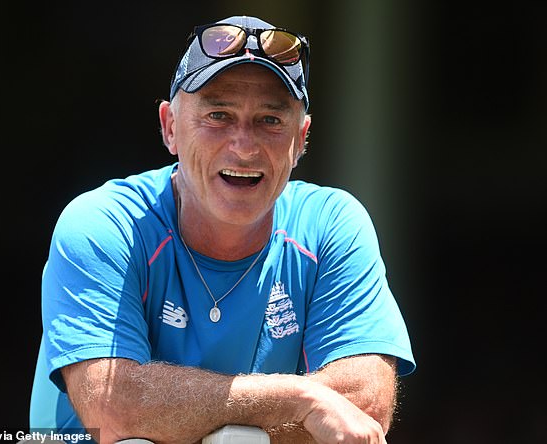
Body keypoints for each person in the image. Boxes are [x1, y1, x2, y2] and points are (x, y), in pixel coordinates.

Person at [29, 14, 416, 444]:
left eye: (270, 120)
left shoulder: (330, 225)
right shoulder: (104, 223)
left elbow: (364, 409)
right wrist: (303, 400)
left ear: (301, 139)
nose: (244, 145)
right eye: (218, 114)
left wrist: (193, 415)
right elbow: (114, 406)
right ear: (170, 128)